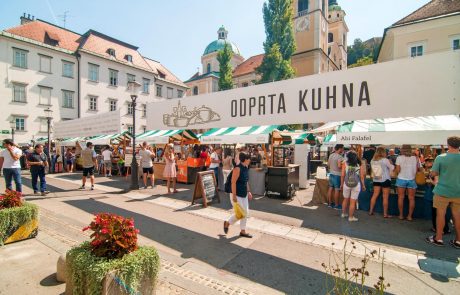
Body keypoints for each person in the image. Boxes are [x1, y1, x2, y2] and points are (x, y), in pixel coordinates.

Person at [426, 136, 460, 248]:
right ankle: (458, 240)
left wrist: (431, 174)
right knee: (457, 215)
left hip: (442, 190)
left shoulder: (441, 157)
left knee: (440, 214)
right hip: (458, 191)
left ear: (448, 144)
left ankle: (438, 238)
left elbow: (433, 173)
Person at [224, 152, 253, 238]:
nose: (250, 160)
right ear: (246, 160)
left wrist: (249, 191)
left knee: (245, 213)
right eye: (249, 159)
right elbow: (233, 182)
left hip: (244, 194)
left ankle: (242, 231)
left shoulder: (246, 167)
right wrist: (234, 196)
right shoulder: (237, 169)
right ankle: (227, 223)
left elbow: (246, 181)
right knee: (240, 213)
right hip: (236, 194)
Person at [423, 157, 451, 235]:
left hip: (436, 194)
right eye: (427, 162)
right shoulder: (435, 170)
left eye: (429, 162)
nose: (427, 163)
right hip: (437, 194)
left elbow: (436, 183)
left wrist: (430, 181)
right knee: (439, 212)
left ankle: (440, 229)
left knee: (437, 213)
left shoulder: (435, 171)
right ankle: (443, 228)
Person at [395, 144, 420, 221]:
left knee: (400, 197)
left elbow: (398, 170)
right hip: (411, 179)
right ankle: (409, 216)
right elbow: (417, 169)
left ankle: (401, 215)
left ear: (402, 149)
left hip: (401, 179)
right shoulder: (415, 158)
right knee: (411, 198)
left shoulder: (399, 158)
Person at [340, 150, 366, 222]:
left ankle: (343, 214)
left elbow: (342, 175)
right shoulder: (359, 164)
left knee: (345, 199)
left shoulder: (345, 163)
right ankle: (351, 217)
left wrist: (341, 184)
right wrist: (363, 185)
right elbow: (362, 176)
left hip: (346, 183)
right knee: (353, 201)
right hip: (356, 184)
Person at [369, 147, 395, 217]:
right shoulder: (385, 160)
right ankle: (385, 214)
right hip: (385, 179)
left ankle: (371, 211)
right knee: (385, 197)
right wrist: (391, 163)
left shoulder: (372, 160)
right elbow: (392, 168)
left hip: (376, 179)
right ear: (383, 152)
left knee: (374, 195)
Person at [327, 144, 344, 209]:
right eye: (342, 148)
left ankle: (329, 203)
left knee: (330, 188)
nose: (343, 150)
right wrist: (344, 167)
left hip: (331, 174)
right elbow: (339, 166)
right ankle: (336, 205)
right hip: (337, 175)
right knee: (337, 190)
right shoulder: (340, 157)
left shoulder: (331, 155)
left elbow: (328, 164)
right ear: (340, 149)